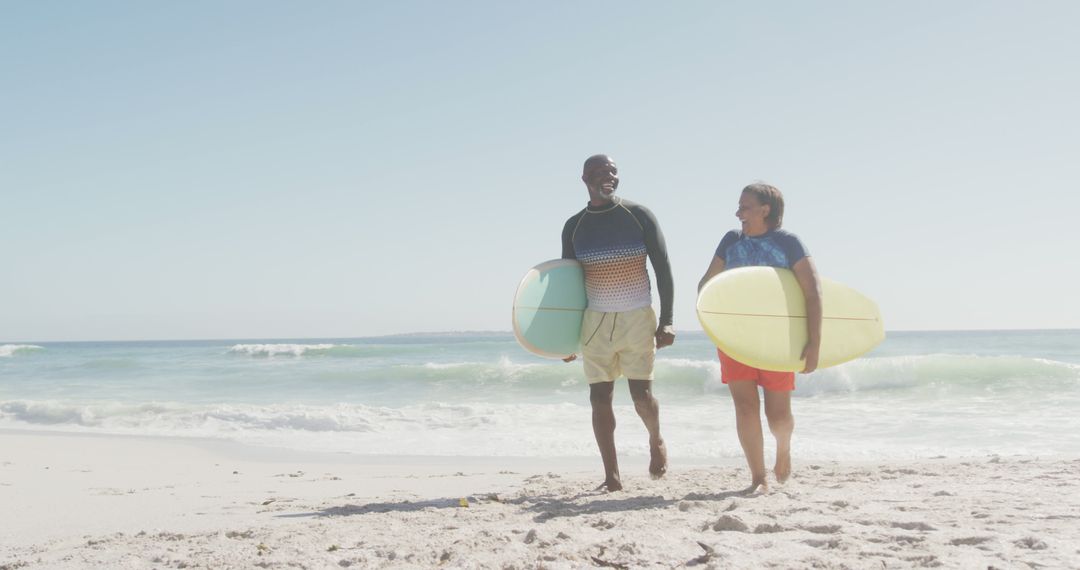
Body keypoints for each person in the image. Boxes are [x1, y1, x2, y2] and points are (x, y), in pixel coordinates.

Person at [561, 154, 676, 492]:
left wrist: (667, 320)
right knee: (599, 398)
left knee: (641, 396)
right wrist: (565, 340)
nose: (607, 176)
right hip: (594, 320)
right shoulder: (575, 226)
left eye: (612, 171)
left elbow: (664, 270)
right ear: (585, 178)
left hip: (636, 316)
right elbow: (569, 285)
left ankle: (655, 439)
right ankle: (611, 476)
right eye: (599, 172)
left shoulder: (639, 216)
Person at [697, 182, 822, 493]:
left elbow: (812, 292)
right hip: (735, 339)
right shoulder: (730, 241)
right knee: (744, 407)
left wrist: (814, 343)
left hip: (776, 340)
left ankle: (783, 450)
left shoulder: (787, 243)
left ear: (765, 210)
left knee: (777, 412)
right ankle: (758, 477)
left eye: (745, 206)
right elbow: (706, 285)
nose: (738, 212)